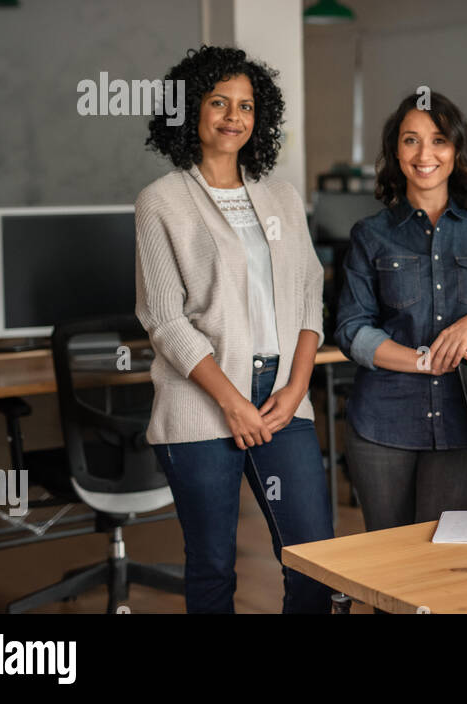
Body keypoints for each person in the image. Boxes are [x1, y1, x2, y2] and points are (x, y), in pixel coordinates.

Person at [135, 45, 333, 613]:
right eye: (219, 102)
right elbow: (165, 320)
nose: (233, 117)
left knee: (316, 560)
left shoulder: (282, 197)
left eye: (246, 106)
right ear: (191, 111)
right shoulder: (161, 202)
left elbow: (308, 294)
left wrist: (296, 390)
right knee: (214, 567)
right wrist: (231, 402)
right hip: (201, 401)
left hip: (282, 395)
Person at [334, 91, 467, 531]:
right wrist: (425, 361)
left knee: (440, 555)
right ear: (396, 151)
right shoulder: (370, 235)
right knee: (387, 558)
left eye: (438, 140)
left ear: (456, 150)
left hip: (463, 422)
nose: (425, 154)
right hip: (382, 423)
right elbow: (351, 330)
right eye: (411, 140)